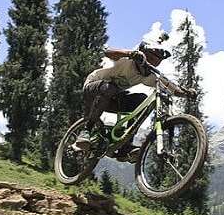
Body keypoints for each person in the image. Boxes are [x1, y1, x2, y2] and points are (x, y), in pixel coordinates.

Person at [74, 32, 194, 161]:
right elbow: (108, 52)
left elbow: (171, 88)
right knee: (110, 87)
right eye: (151, 58)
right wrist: (129, 53)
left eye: (156, 61)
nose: (151, 63)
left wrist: (186, 93)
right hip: (92, 88)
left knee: (141, 100)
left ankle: (125, 147)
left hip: (112, 99)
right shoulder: (126, 60)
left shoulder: (148, 75)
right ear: (142, 53)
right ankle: (86, 130)